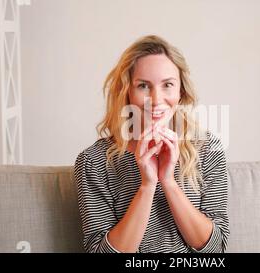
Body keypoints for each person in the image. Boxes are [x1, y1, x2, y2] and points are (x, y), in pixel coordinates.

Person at [74, 35, 229, 253]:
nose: (156, 100)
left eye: (168, 85)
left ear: (181, 91)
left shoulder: (208, 149)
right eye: (143, 86)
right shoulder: (93, 161)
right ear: (127, 91)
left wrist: (168, 181)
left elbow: (216, 249)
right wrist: (147, 185)